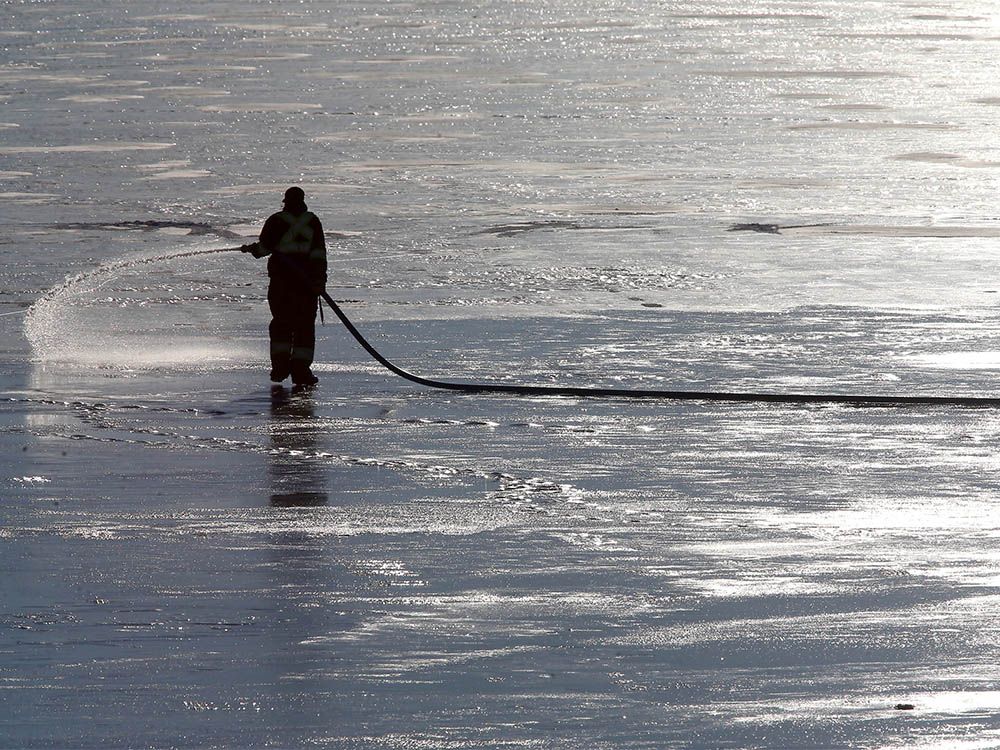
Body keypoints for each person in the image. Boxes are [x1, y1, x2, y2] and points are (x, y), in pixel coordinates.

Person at [241, 186, 327, 386]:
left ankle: (280, 368)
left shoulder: (276, 221)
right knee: (304, 327)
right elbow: (319, 254)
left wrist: (253, 249)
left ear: (285, 201)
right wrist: (319, 280)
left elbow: (264, 248)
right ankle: (301, 371)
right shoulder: (313, 222)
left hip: (282, 285)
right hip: (306, 286)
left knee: (282, 324)